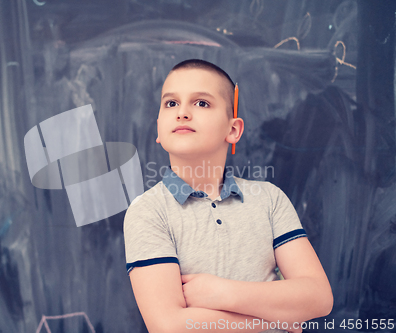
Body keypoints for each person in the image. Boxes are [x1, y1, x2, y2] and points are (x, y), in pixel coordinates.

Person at [123, 59, 333, 333]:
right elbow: (169, 327)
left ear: (233, 130)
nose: (182, 112)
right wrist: (278, 318)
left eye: (201, 103)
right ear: (158, 129)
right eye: (171, 103)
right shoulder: (149, 211)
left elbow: (318, 297)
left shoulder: (269, 199)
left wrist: (221, 292)